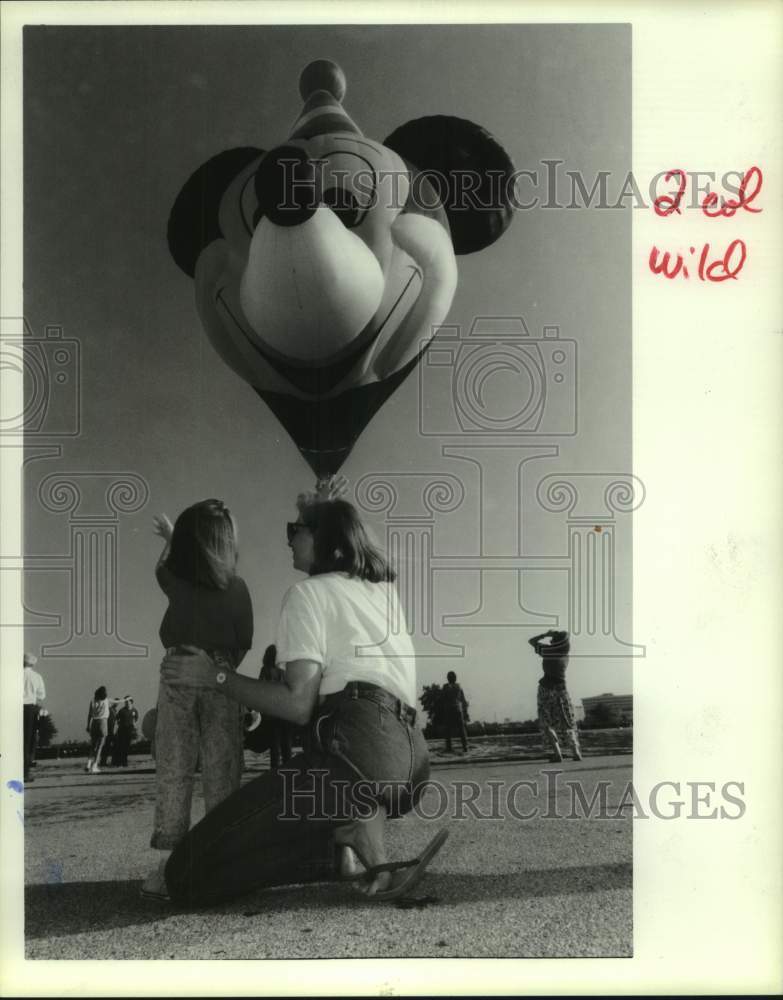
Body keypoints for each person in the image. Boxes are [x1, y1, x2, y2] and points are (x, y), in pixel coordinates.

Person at [155, 494, 447, 907]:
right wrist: (326, 505)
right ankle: (353, 836)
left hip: (356, 754)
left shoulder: (306, 594)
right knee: (312, 793)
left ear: (325, 540)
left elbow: (297, 704)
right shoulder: (382, 592)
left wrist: (215, 675)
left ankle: (337, 839)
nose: (288, 540)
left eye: (296, 531)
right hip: (411, 763)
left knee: (183, 874)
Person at [141, 499, 253, 898]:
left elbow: (160, 568)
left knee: (173, 766)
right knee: (223, 769)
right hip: (220, 675)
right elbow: (244, 640)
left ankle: (168, 868)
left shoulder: (178, 581)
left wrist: (171, 539)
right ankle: (224, 862)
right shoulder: (238, 587)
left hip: (177, 668)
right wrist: (222, 669)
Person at [528, 629, 582, 762]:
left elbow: (531, 641)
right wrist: (554, 634)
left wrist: (544, 634)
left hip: (546, 688)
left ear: (553, 642)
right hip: (561, 688)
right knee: (567, 720)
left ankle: (557, 753)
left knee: (546, 721)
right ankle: (575, 752)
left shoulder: (547, 651)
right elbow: (565, 635)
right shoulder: (565, 654)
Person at [258, 644, 294, 769]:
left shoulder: (265, 670)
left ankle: (274, 773)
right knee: (286, 746)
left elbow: (261, 690)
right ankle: (288, 772)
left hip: (272, 713)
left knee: (274, 746)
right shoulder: (284, 670)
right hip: (286, 712)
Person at [85, 687, 124, 773]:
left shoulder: (92, 701)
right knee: (100, 746)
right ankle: (94, 765)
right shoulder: (106, 700)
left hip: (94, 723)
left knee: (93, 745)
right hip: (103, 722)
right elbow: (117, 701)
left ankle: (88, 764)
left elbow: (89, 714)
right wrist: (126, 699)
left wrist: (88, 725)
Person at [23, 653, 46, 784]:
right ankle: (24, 773)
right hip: (29, 709)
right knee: (28, 741)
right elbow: (42, 695)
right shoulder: (36, 677)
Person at [442, 670, 469, 754]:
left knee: (448, 729)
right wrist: (465, 712)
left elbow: (443, 698)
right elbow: (463, 700)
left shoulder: (445, 687)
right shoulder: (459, 687)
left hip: (449, 709)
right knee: (461, 729)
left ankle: (449, 747)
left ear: (448, 678)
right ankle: (465, 747)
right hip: (458, 709)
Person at [113, 697, 138, 767]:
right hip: (122, 730)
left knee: (127, 746)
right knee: (121, 746)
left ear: (131, 702)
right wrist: (119, 724)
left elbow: (136, 719)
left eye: (127, 701)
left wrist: (134, 728)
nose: (126, 703)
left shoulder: (134, 710)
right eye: (125, 702)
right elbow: (117, 719)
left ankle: (124, 761)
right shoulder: (122, 710)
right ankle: (119, 762)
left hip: (129, 730)